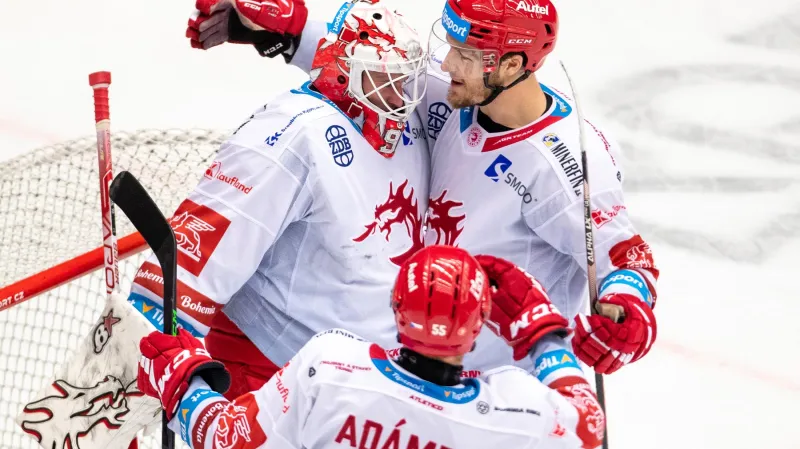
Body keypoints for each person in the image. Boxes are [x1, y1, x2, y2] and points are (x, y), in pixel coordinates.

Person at [183, 0, 661, 376]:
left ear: (512, 66)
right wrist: (287, 25)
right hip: (417, 369)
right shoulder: (461, 88)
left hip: (498, 393)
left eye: (465, 55)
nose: (447, 61)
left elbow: (626, 257)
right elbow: (376, 62)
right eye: (450, 44)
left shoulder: (564, 165)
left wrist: (627, 313)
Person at [127, 0, 431, 401]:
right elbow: (189, 266)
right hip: (271, 376)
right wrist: (148, 360)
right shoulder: (292, 135)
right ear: (345, 76)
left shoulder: (403, 126)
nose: (402, 94)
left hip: (359, 383)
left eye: (403, 78)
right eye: (387, 79)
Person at [137, 245, 606, 449]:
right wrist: (543, 333)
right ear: (481, 321)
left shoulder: (331, 368)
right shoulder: (518, 413)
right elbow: (588, 422)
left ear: (396, 305)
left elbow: (225, 439)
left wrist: (184, 383)